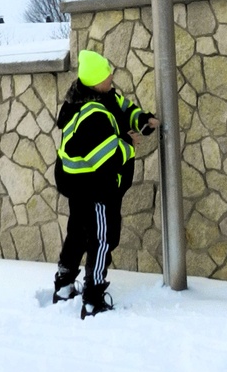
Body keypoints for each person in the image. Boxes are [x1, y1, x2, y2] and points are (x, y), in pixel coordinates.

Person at [52, 49, 157, 318]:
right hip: (95, 188)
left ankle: (63, 285)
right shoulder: (93, 115)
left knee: (78, 233)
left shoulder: (102, 96)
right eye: (107, 75)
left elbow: (124, 109)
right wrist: (130, 146)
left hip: (80, 186)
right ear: (96, 81)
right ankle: (93, 298)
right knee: (103, 239)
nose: (112, 77)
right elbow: (106, 155)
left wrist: (143, 121)